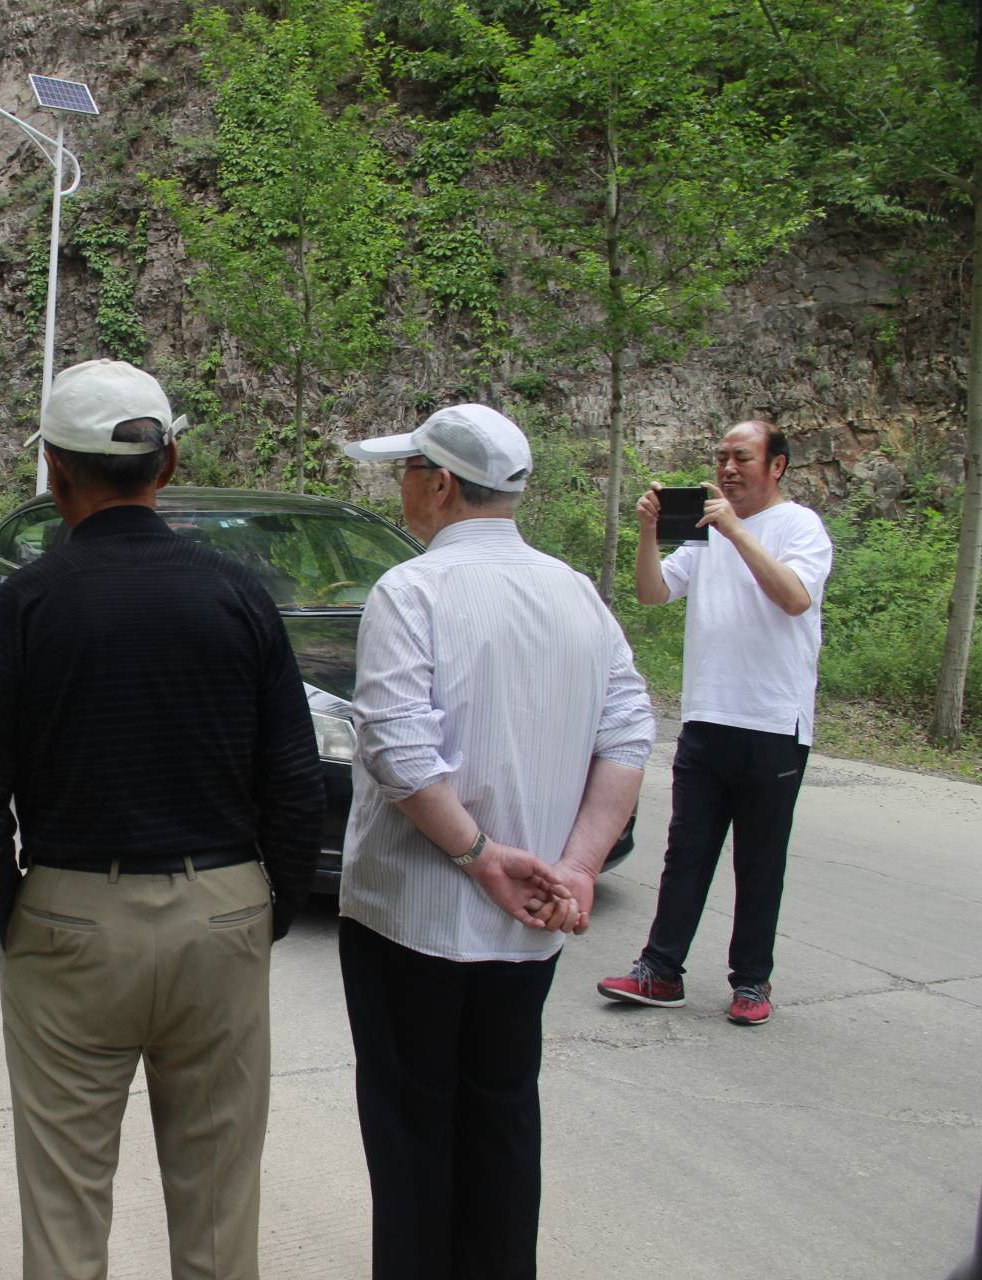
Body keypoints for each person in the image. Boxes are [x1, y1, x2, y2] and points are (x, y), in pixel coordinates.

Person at [0, 359, 324, 1280]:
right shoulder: (239, 598)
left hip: (70, 920)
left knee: (66, 1210)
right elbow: (295, 781)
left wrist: (14, 916)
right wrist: (264, 907)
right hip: (220, 912)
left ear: (55, 470)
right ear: (170, 461)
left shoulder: (22, 605)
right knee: (222, 1205)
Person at [338, 404, 653, 1280]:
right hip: (531, 929)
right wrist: (578, 869)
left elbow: (398, 749)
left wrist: (479, 860)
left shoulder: (412, 591)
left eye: (407, 470)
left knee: (412, 1137)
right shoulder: (575, 592)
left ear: (439, 483)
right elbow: (628, 733)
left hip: (414, 922)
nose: (401, 486)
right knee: (503, 1123)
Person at [598, 419, 833, 1027]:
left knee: (759, 860)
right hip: (707, 718)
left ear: (776, 465)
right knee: (686, 852)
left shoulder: (799, 526)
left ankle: (752, 981)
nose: (728, 466)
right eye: (721, 455)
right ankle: (660, 970)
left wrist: (733, 528)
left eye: (742, 456)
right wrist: (649, 533)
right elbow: (652, 594)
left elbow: (794, 597)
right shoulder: (702, 533)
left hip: (773, 722)